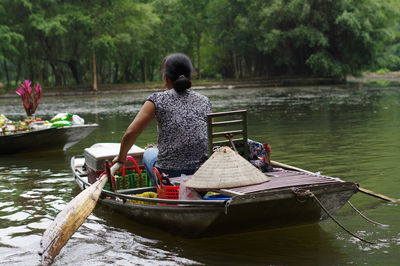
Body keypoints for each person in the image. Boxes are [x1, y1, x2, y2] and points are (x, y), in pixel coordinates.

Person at [112, 53, 212, 185]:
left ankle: (158, 188)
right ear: (190, 77)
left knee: (149, 152)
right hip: (202, 172)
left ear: (166, 78)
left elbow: (131, 133)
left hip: (169, 175)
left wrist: (121, 158)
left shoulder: (157, 100)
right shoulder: (205, 101)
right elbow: (209, 137)